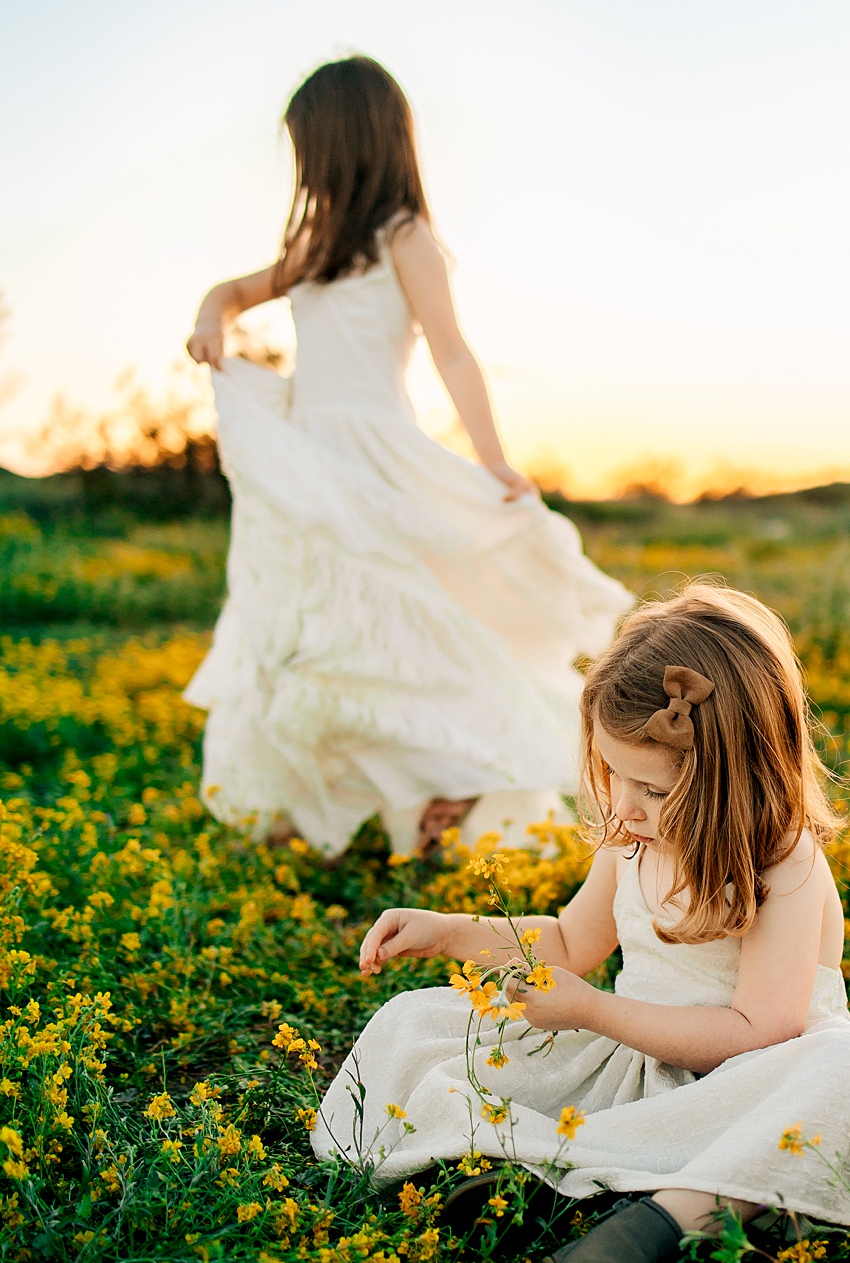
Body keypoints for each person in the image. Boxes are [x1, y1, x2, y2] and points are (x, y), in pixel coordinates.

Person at [314, 583, 850, 1263]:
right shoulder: (630, 841)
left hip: (761, 1081)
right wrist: (454, 933)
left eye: (652, 787)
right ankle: (557, 1185)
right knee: (415, 1022)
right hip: (642, 1068)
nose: (627, 804)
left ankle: (643, 1233)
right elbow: (571, 946)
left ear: (734, 779)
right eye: (613, 775)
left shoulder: (784, 864)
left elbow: (764, 1029)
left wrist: (592, 1011)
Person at [184, 55, 631, 857]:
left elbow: (453, 354)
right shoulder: (319, 244)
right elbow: (232, 290)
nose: (305, 170)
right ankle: (332, 802)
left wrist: (493, 459)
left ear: (347, 146)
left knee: (404, 619)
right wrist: (211, 319)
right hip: (308, 457)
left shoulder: (404, 237)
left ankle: (445, 789)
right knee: (314, 625)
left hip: (373, 451)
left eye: (311, 151)